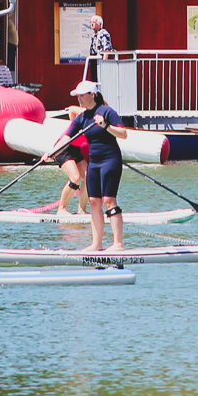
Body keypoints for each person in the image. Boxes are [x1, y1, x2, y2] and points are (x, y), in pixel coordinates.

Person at [47, 80, 131, 250]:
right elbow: (66, 138)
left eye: (82, 95)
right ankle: (96, 244)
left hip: (110, 160)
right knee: (94, 201)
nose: (79, 98)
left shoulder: (106, 111)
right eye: (77, 95)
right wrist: (52, 152)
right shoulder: (82, 118)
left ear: (92, 94)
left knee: (109, 200)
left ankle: (118, 244)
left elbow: (123, 134)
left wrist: (105, 125)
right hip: (94, 162)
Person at [83, 14, 113, 82]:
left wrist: (104, 65)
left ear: (100, 24)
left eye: (94, 21)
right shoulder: (94, 35)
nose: (92, 23)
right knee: (94, 80)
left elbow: (106, 49)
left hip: (100, 61)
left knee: (101, 80)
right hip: (94, 61)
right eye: (91, 22)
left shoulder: (104, 33)